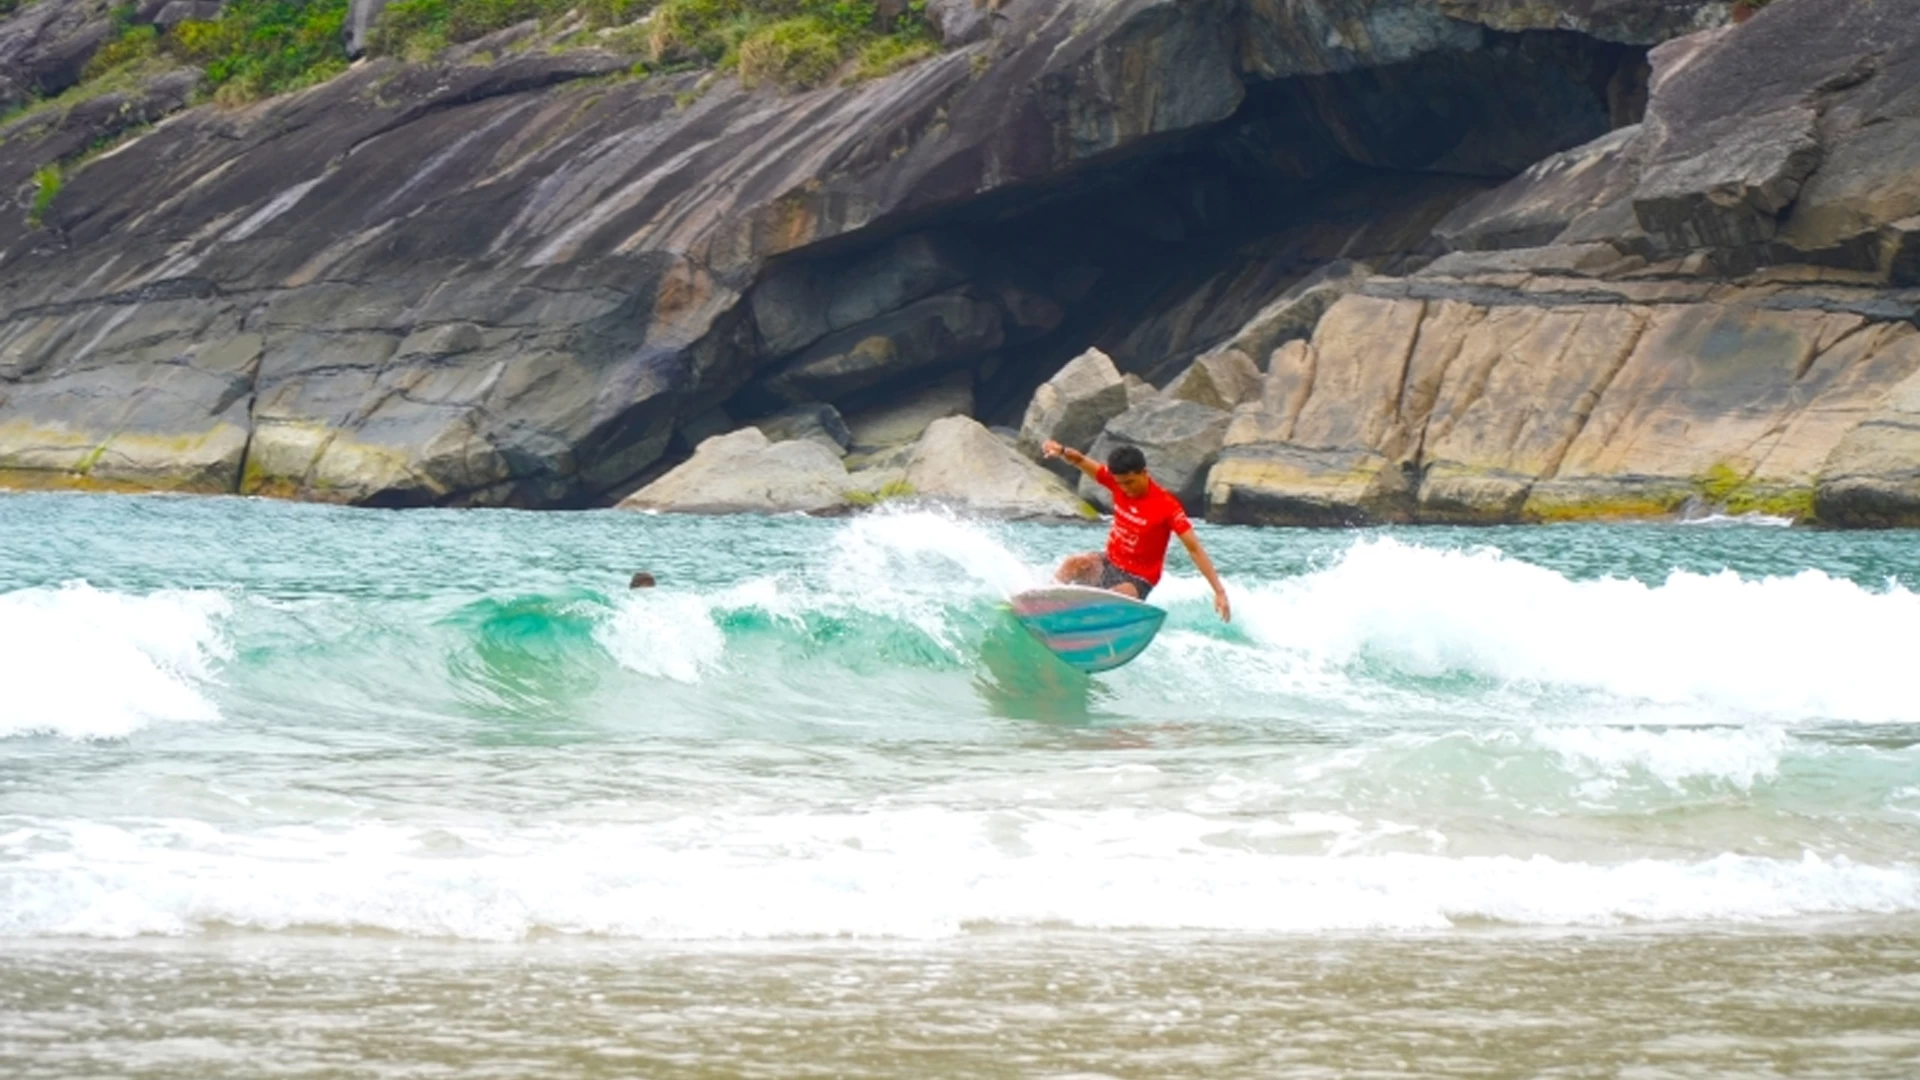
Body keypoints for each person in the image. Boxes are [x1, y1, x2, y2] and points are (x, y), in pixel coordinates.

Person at [1041, 440, 1231, 622]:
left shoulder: (1167, 506)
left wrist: (1219, 591)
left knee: (1117, 596)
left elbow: (1194, 549)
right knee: (1074, 563)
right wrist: (1062, 451)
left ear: (1144, 473)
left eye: (1130, 482)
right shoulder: (1116, 482)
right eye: (1120, 483)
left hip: (1138, 579)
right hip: (1110, 563)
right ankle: (1042, 604)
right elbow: (1080, 460)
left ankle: (1080, 623)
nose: (1125, 488)